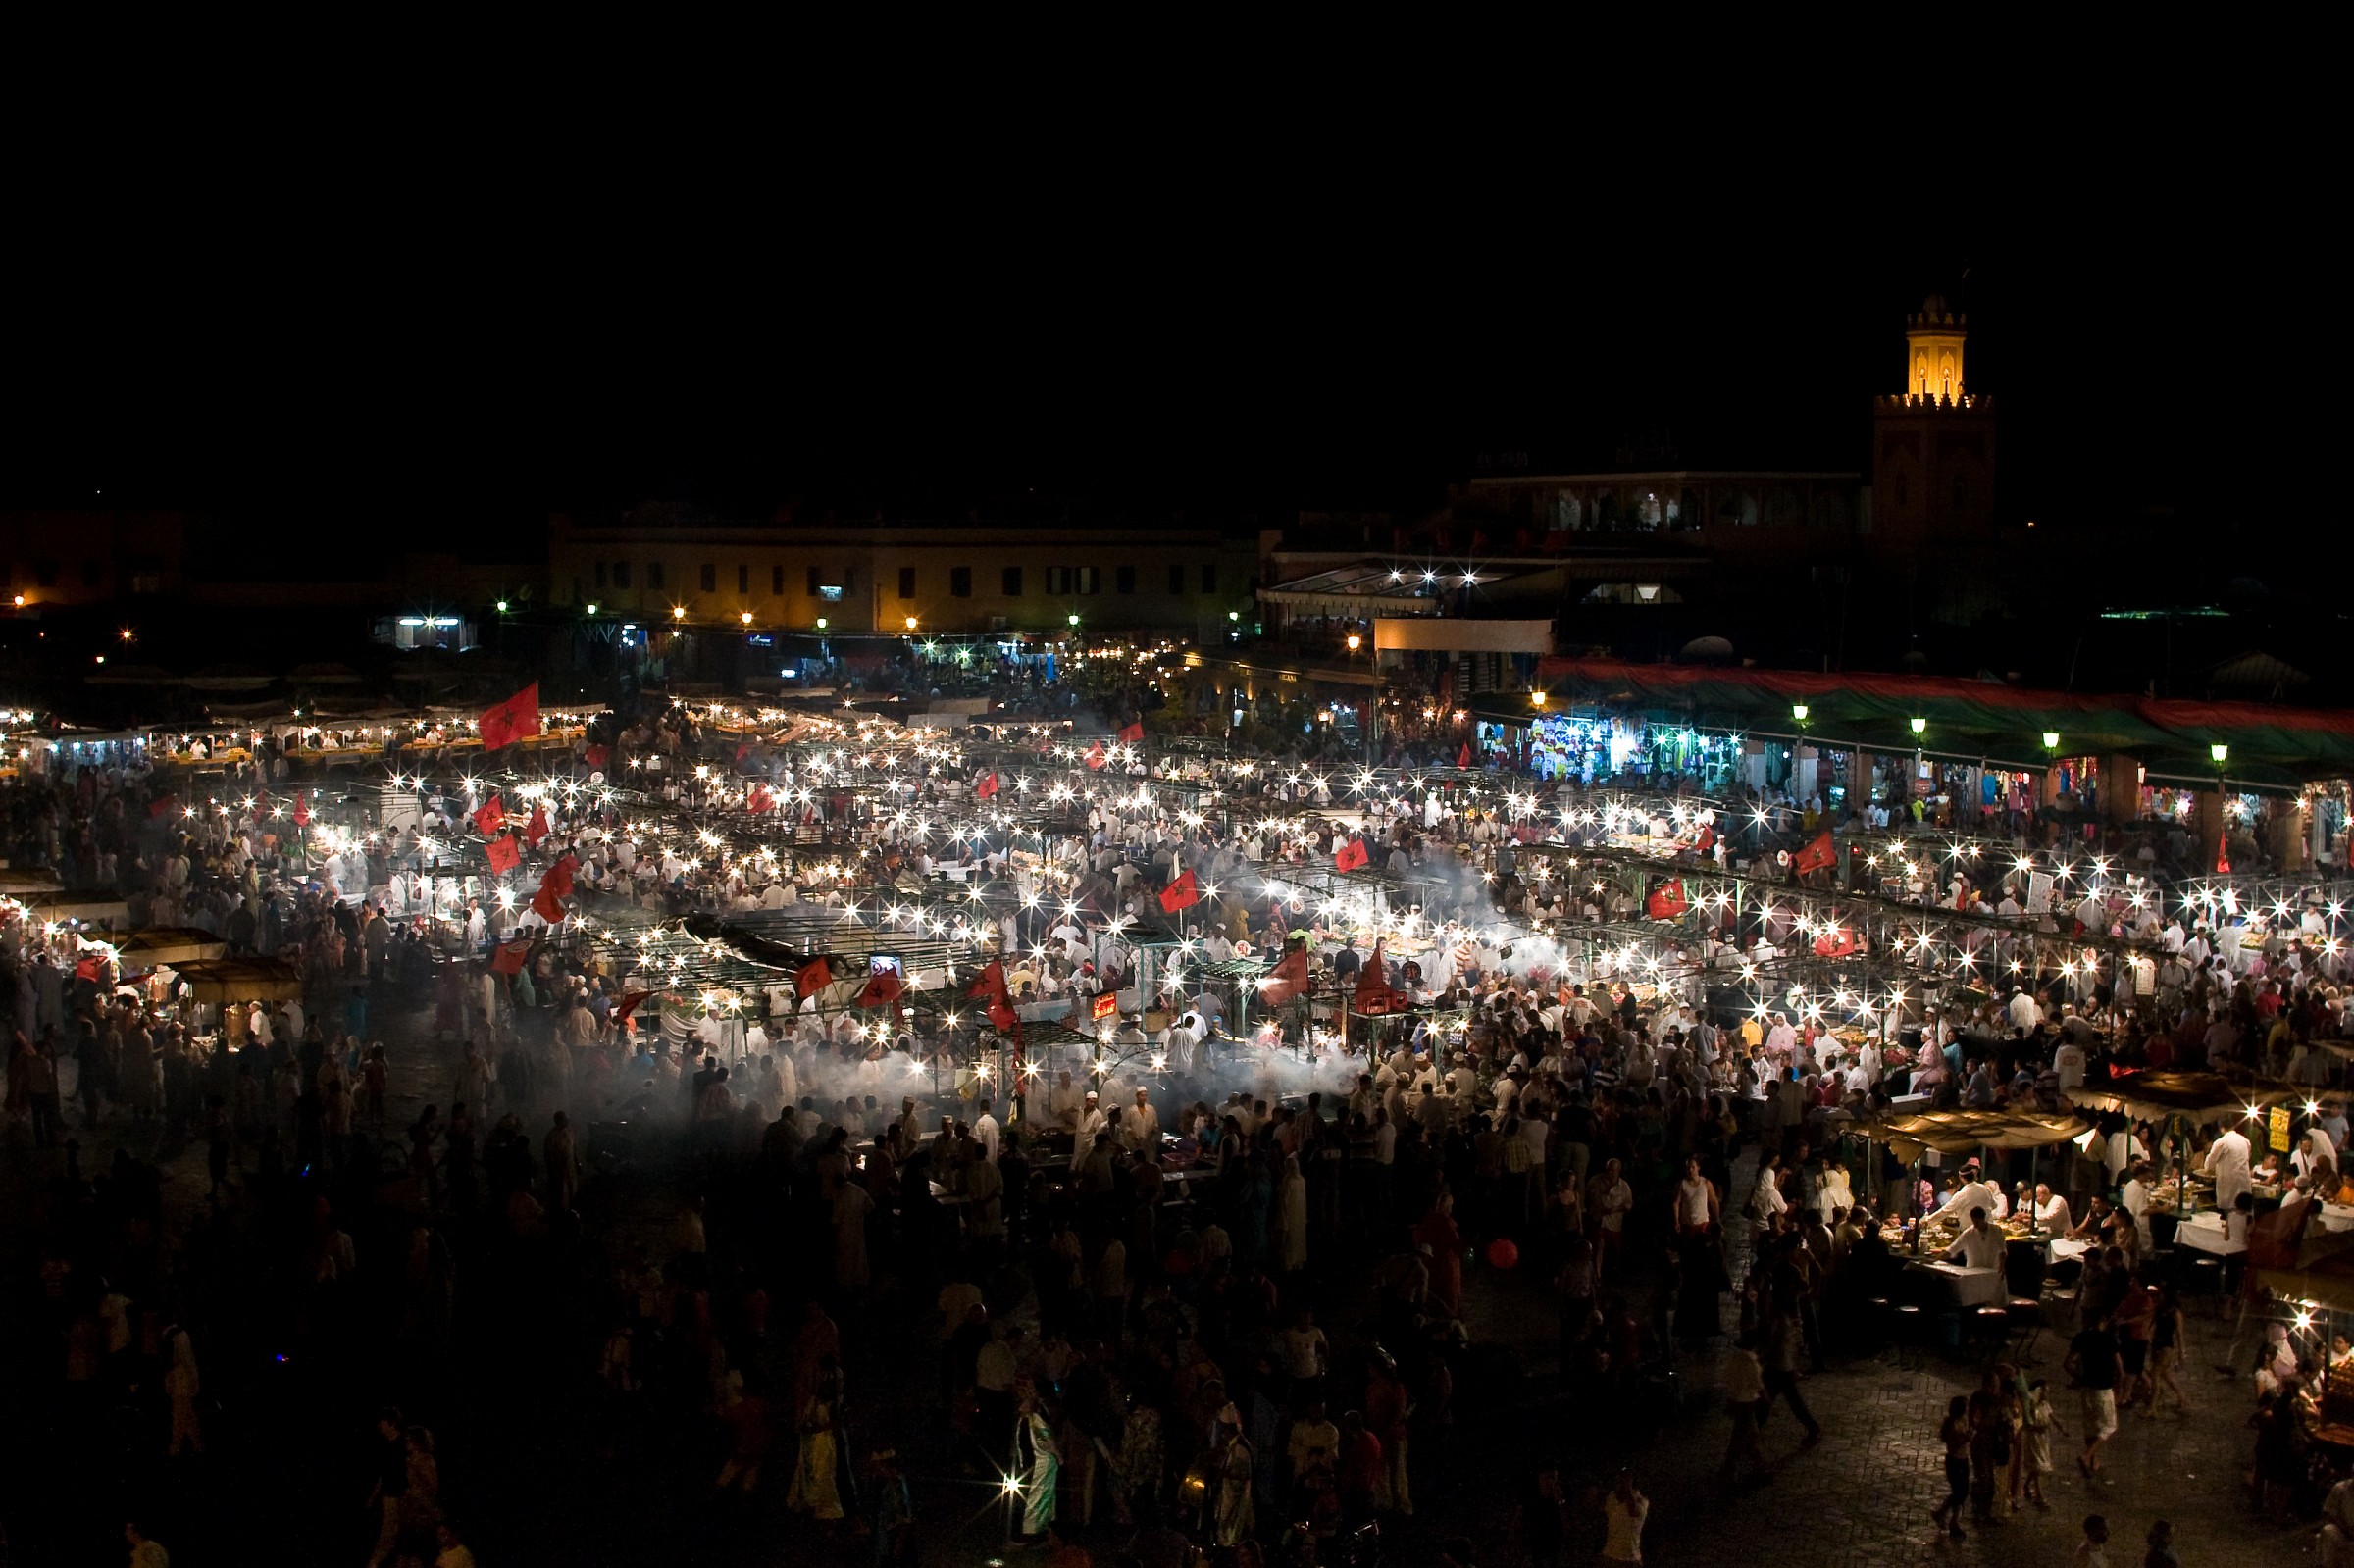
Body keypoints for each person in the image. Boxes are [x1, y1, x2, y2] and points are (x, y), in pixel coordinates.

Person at [2065, 1313, 2124, 1475]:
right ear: (2103, 1321)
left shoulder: (2081, 1338)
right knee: (2109, 1426)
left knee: (2091, 1427)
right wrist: (2119, 1389)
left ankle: (2092, 1460)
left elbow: (2067, 1363)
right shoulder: (2109, 1339)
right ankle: (2087, 1456)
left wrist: (2079, 1378)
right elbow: (2120, 1370)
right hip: (2103, 1389)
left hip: (2086, 1388)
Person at [1930, 1395, 1970, 1542]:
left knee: (1961, 1492)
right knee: (1959, 1492)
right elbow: (1954, 1444)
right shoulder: (1953, 1425)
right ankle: (1950, 1518)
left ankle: (1947, 1516)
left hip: (1963, 1460)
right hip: (1955, 1462)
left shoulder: (1963, 1422)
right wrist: (1965, 1439)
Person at [1600, 1468, 1648, 1564]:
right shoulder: (1611, 1498)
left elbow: (1633, 1512)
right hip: (1610, 1556)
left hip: (1631, 1559)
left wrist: (1628, 1489)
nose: (1620, 1482)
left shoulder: (1642, 1501)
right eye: (1620, 1479)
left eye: (1626, 1479)